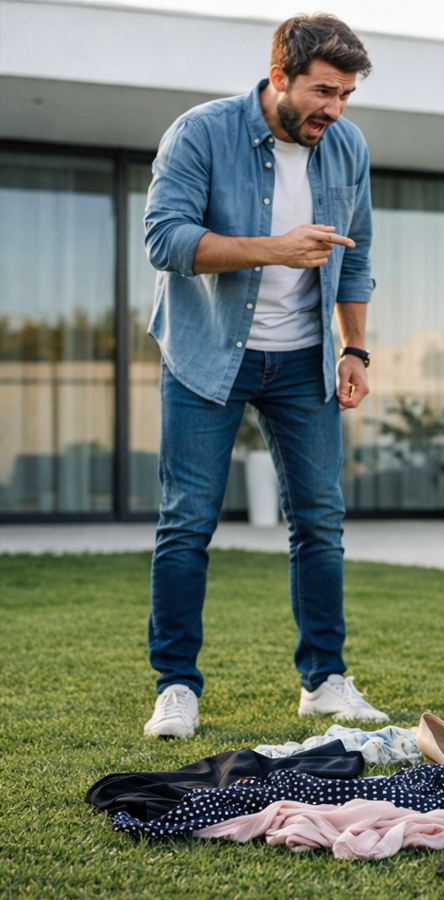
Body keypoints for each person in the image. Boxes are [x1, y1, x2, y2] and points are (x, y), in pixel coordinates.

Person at [142, 14, 387, 739]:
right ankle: (176, 686)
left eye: (345, 95)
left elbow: (356, 256)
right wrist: (274, 249)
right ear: (279, 75)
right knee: (188, 522)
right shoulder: (201, 132)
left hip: (305, 360)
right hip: (208, 353)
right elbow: (165, 240)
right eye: (322, 91)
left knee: (320, 522)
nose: (334, 109)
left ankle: (324, 680)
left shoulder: (347, 146)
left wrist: (354, 349)